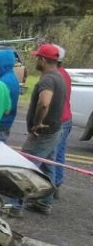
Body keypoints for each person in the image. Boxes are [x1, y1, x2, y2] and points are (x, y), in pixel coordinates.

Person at [20, 43, 66, 215]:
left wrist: (37, 122)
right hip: (54, 130)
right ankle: (45, 202)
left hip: (43, 133)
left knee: (24, 167)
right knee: (47, 168)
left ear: (43, 60)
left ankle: (15, 205)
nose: (36, 61)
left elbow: (44, 101)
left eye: (37, 58)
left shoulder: (47, 79)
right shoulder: (59, 76)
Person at [52, 45, 73, 195]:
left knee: (49, 156)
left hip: (58, 120)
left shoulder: (53, 76)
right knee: (59, 154)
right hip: (66, 118)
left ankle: (50, 188)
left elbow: (46, 102)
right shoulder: (64, 74)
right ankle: (56, 184)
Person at [0, 49, 21, 142]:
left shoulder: (3, 82)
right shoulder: (11, 77)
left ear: (0, 64)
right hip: (7, 122)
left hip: (0, 123)